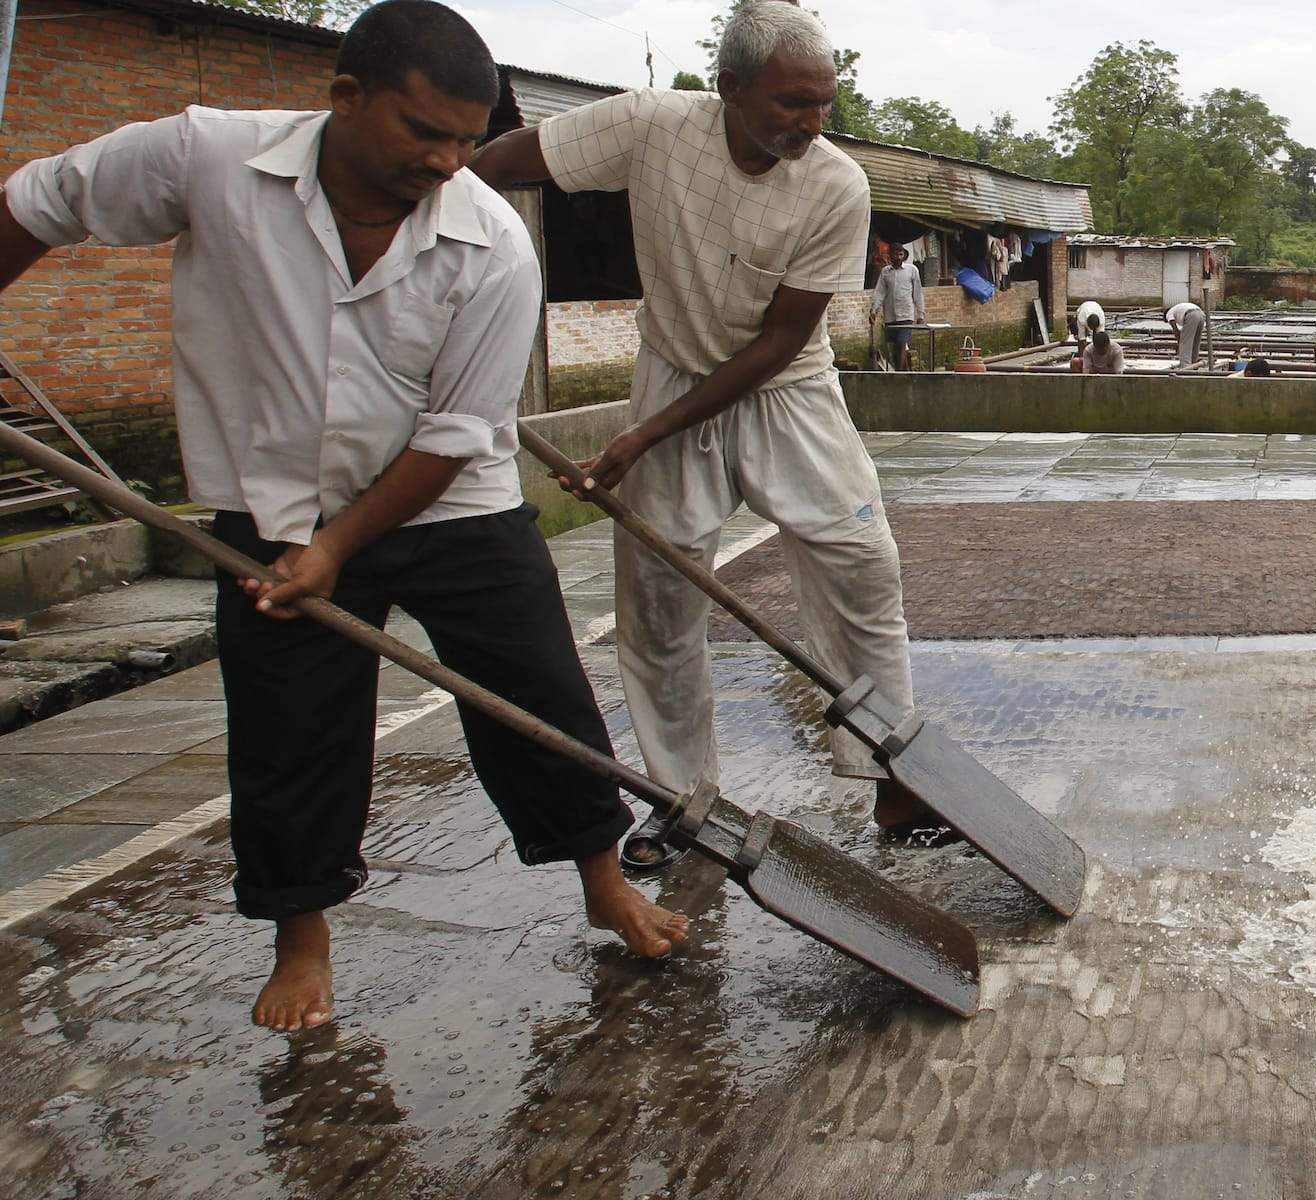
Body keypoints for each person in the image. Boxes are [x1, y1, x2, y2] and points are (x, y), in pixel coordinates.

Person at [0, 0, 687, 1032]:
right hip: (273, 502)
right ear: (346, 99)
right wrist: (310, 546)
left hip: (453, 502)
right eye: (425, 133)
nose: (450, 160)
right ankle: (303, 940)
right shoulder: (207, 159)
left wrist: (339, 548)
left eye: (468, 137)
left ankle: (602, 876)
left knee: (534, 689)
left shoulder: (491, 242)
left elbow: (458, 432)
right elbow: (38, 202)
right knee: (291, 722)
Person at [471, 1, 926, 859]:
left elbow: (781, 342)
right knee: (660, 600)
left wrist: (638, 439)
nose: (810, 122)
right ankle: (685, 801)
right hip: (673, 368)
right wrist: (432, 193)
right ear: (729, 88)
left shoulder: (836, 185)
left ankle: (896, 778)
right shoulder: (651, 124)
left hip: (788, 389)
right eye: (792, 103)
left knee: (864, 570)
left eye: (823, 103)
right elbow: (506, 160)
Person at [872, 243, 923, 371]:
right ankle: (905, 374)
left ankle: (898, 376)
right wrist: (874, 311)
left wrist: (921, 314)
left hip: (906, 315)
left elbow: (917, 293)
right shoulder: (885, 272)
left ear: (904, 256)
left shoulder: (912, 270)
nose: (899, 257)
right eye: (896, 254)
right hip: (890, 315)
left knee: (902, 344)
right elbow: (880, 293)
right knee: (896, 347)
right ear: (890, 256)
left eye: (901, 254)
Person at [1166, 299, 1206, 365]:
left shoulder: (1168, 313)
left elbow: (1175, 329)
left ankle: (1185, 366)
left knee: (1185, 344)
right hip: (1201, 314)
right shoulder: (1177, 309)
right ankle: (1194, 364)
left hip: (1191, 315)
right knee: (1195, 342)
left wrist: (1180, 343)